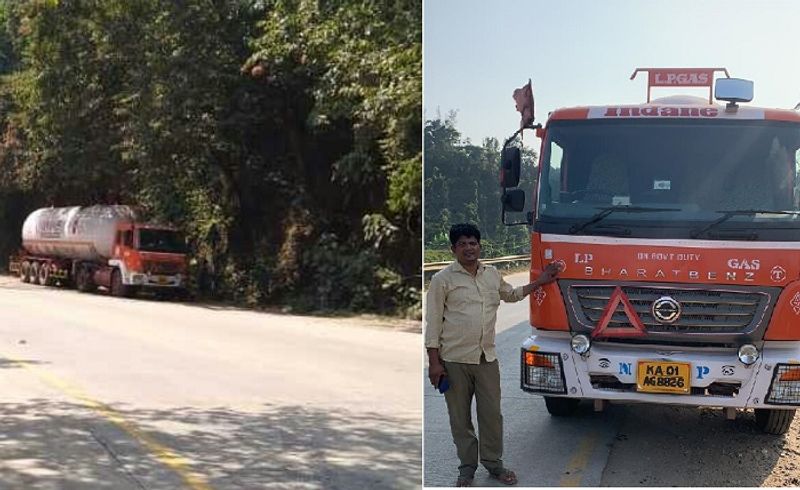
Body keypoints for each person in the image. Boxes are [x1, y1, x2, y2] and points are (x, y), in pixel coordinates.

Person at [425, 223, 559, 487]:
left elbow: (510, 295)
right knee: (460, 419)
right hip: (454, 361)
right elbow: (433, 324)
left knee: (492, 416)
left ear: (480, 246)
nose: (468, 248)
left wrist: (540, 281)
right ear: (453, 249)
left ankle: (494, 465)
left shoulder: (492, 275)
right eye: (462, 244)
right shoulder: (443, 280)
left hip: (487, 359)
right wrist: (434, 363)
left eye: (472, 242)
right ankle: (466, 469)